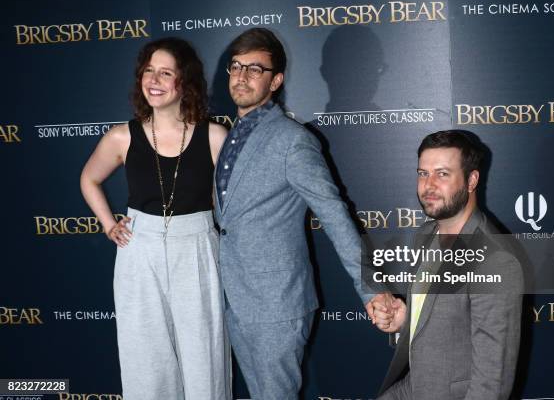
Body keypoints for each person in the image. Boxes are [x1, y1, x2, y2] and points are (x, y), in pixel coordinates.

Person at [214, 27, 373, 399]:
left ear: (276, 81)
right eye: (236, 67)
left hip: (275, 304)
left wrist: (370, 289)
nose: (242, 76)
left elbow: (334, 215)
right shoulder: (228, 136)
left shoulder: (293, 140)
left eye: (255, 69)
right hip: (233, 297)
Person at [80, 37, 231, 400]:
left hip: (196, 248)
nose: (154, 80)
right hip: (139, 251)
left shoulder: (214, 136)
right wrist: (107, 224)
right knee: (144, 361)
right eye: (149, 71)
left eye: (166, 72)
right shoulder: (122, 137)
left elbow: (228, 202)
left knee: (205, 360)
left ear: (185, 82)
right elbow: (89, 178)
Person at [369, 130, 523, 400]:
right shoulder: (425, 235)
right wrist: (405, 320)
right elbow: (443, 325)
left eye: (442, 174)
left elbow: (492, 385)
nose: (428, 185)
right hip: (414, 388)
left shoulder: (495, 260)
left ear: (471, 180)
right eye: (422, 173)